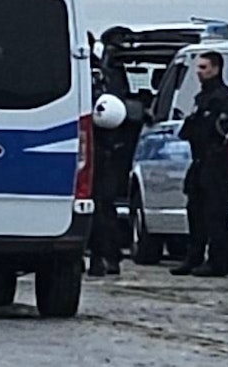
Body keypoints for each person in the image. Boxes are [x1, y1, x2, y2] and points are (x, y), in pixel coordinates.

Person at [171, 49, 228, 277]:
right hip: (199, 161)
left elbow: (219, 129)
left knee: (216, 214)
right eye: (197, 68)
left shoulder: (224, 98)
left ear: (216, 69)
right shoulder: (201, 99)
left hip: (216, 162)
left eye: (203, 68)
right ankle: (194, 257)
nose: (199, 72)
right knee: (195, 211)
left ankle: (217, 262)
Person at [88, 28, 139, 277]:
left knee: (98, 206)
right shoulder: (109, 75)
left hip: (96, 148)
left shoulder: (94, 77)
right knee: (103, 206)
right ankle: (109, 256)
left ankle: (102, 257)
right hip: (106, 148)